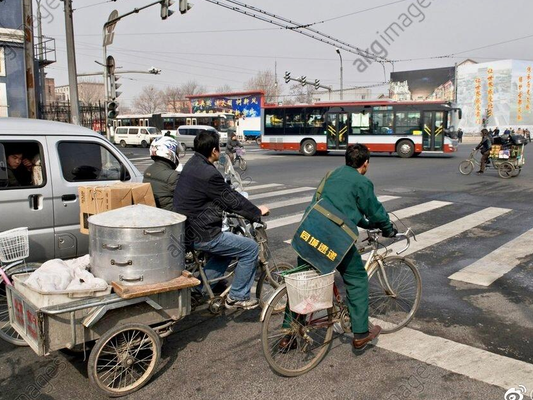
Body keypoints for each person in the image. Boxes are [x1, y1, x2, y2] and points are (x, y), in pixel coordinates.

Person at [281, 144, 397, 352]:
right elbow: (376, 211)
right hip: (335, 238)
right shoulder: (362, 182)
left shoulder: (330, 175)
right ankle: (361, 333)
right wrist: (387, 229)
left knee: (304, 283)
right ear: (365, 164)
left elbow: (340, 209)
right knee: (356, 279)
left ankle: (288, 335)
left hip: (310, 232)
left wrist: (366, 224)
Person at [173, 131, 270, 310]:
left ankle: (201, 288)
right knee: (250, 248)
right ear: (213, 151)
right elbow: (231, 199)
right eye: (219, 147)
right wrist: (256, 212)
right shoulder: (209, 173)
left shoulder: (192, 164)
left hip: (188, 230)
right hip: (203, 234)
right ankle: (237, 296)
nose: (220, 150)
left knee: (225, 253)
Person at [143, 136, 181, 211]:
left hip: (157, 212)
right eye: (177, 152)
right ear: (169, 153)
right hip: (172, 216)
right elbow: (187, 198)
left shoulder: (148, 170)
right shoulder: (174, 176)